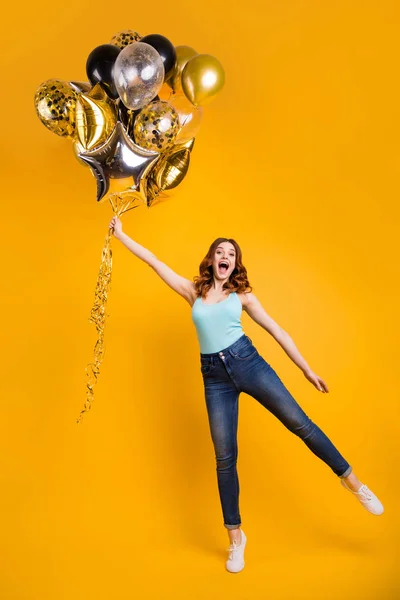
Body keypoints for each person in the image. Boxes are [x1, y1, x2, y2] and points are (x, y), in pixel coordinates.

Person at [109, 216, 384, 573]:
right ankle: (236, 538)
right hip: (214, 378)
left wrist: (306, 369)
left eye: (231, 254)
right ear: (211, 260)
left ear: (235, 265)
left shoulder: (242, 297)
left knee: (301, 424)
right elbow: (154, 261)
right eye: (220, 252)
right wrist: (121, 235)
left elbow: (277, 331)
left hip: (248, 363)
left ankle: (354, 483)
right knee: (225, 458)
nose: (225, 256)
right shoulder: (193, 292)